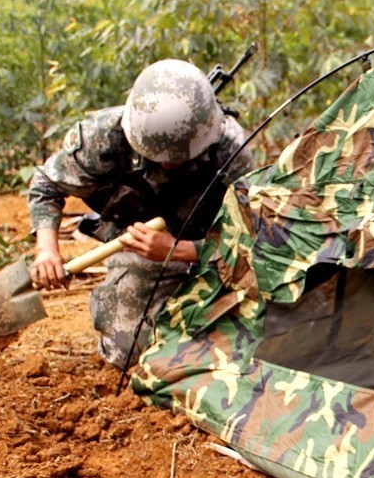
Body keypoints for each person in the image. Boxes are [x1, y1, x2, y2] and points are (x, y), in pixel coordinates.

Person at [27, 59, 254, 369]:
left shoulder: (230, 149)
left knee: (249, 345)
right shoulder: (103, 137)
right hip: (135, 246)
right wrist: (46, 251)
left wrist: (182, 250)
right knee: (131, 355)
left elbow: (256, 238)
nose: (169, 166)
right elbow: (46, 185)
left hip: (211, 251)